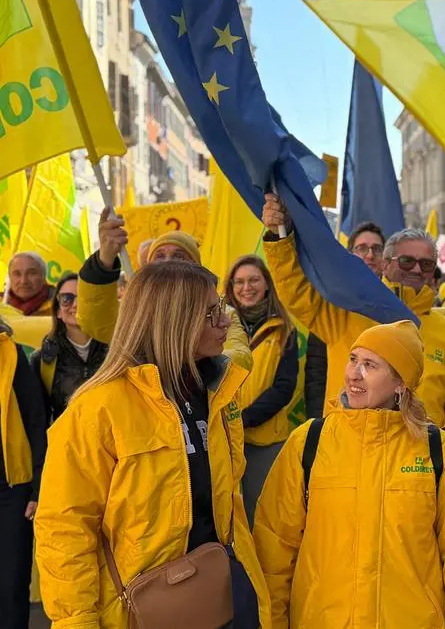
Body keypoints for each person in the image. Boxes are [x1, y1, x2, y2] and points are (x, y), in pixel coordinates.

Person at [35, 262, 270, 628]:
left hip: (216, 597)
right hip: (137, 609)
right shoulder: (99, 407)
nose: (225, 321)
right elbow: (64, 528)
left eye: (221, 307)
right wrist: (76, 622)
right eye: (211, 313)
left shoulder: (218, 392)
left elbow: (226, 506)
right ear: (172, 321)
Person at [254, 320, 445, 628]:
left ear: (400, 382)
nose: (354, 373)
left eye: (370, 365)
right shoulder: (309, 441)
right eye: (353, 360)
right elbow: (274, 548)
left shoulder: (436, 449)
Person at [262, 195, 445, 450]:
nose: (417, 270)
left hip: (418, 463)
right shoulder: (345, 314)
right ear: (386, 264)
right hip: (347, 453)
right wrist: (279, 237)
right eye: (407, 261)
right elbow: (296, 291)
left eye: (427, 264)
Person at [77, 208, 252, 371]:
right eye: (159, 256)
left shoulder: (222, 315)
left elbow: (239, 357)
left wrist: (190, 361)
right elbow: (95, 321)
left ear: (196, 268)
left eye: (179, 256)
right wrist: (105, 259)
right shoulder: (136, 315)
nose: (168, 261)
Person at [224, 255, 307, 526]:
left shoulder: (284, 330)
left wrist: (245, 418)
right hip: (222, 439)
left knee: (261, 516)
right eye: (239, 281)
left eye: (253, 280)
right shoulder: (218, 327)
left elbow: (284, 388)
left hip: (265, 441)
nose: (246, 287)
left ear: (267, 284)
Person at [0, 318, 46, 629]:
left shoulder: (12, 355)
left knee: (11, 584)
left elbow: (36, 422)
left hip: (12, 490)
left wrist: (36, 489)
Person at [30, 273, 108, 425]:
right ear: (58, 311)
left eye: (84, 298)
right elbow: (38, 419)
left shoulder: (116, 352)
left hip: (113, 444)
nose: (75, 305)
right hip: (65, 445)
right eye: (67, 299)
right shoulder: (42, 360)